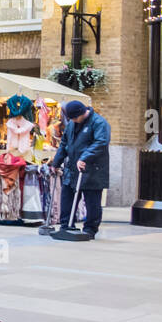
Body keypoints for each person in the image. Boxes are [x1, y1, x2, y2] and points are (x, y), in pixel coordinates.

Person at [52, 99, 110, 237]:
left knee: (92, 201)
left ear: (82, 113)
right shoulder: (72, 124)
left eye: (74, 118)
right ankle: (66, 225)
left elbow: (101, 142)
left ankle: (90, 229)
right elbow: (64, 143)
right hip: (72, 168)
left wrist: (84, 158)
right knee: (67, 197)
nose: (73, 120)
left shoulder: (99, 123)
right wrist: (56, 162)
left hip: (92, 169)